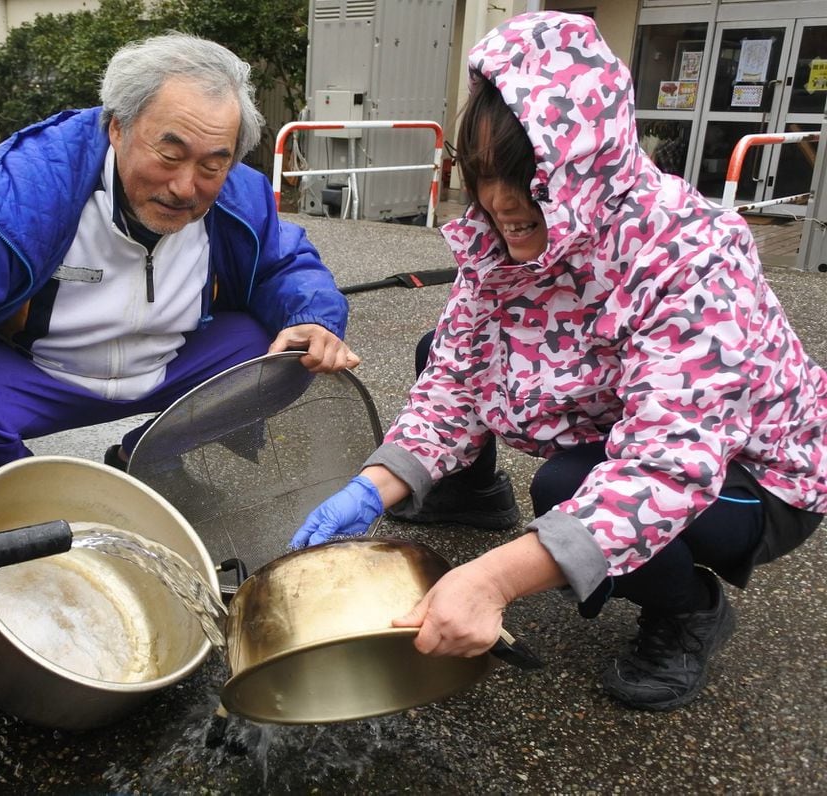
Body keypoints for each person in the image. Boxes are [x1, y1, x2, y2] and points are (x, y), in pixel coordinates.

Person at [291, 11, 827, 711]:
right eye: (484, 175)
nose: (499, 202)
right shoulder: (499, 238)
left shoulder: (692, 254)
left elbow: (665, 466)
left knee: (565, 486)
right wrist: (378, 482)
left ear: (586, 166)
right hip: (627, 416)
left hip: (755, 472)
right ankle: (470, 494)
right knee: (436, 349)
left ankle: (690, 610)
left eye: (526, 179)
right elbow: (456, 375)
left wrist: (495, 580)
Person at [0, 33, 359, 544]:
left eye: (212, 164)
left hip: (167, 365)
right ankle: (24, 510)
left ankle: (144, 455)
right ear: (118, 127)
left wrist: (313, 316)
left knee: (282, 352)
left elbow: (286, 264)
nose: (186, 187)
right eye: (169, 154)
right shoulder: (19, 189)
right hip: (42, 372)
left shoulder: (237, 196)